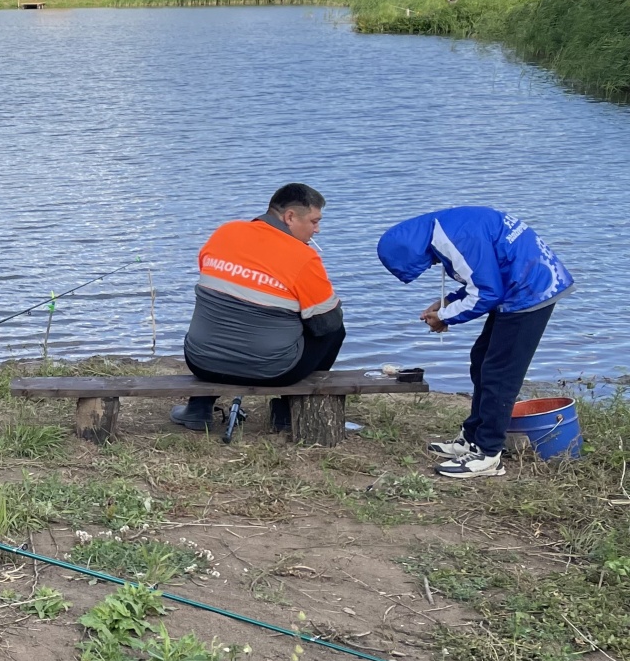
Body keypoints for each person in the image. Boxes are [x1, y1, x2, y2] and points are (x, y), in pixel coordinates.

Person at [377, 207, 573, 480]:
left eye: (427, 262)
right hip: (516, 285)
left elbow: (487, 291)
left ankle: (489, 454)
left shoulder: (452, 239)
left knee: (499, 373)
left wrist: (445, 315)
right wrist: (449, 303)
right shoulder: (442, 228)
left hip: (530, 291)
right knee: (482, 359)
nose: (432, 265)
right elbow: (482, 275)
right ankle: (471, 439)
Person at [173, 183, 344, 432]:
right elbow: (328, 323)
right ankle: (287, 412)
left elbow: (217, 283)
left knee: (221, 310)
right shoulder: (303, 257)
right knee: (332, 327)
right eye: (314, 221)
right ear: (290, 217)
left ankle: (198, 409)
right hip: (273, 371)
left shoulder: (224, 232)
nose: (317, 230)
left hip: (201, 361)